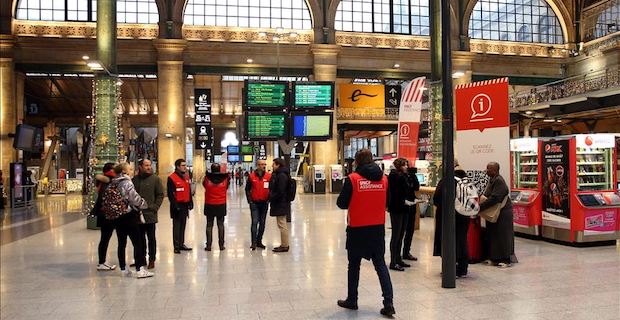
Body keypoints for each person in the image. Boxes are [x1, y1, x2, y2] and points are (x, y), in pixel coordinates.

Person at [336, 149, 395, 317]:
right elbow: (388, 202)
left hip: (357, 229)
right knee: (380, 265)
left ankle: (352, 299)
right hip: (377, 228)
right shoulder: (384, 179)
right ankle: (388, 303)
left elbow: (341, 203)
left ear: (357, 161)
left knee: (354, 265)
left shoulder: (353, 179)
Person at [109, 163, 152, 278]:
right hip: (129, 215)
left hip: (118, 216)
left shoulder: (113, 182)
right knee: (137, 243)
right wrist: (144, 204)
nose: (132, 170)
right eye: (130, 169)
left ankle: (123, 268)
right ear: (124, 171)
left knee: (121, 243)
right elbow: (134, 198)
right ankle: (139, 269)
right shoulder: (127, 182)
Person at [433, 164, 471, 278]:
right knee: (462, 241)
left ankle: (451, 268)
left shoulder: (446, 181)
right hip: (464, 216)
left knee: (449, 241)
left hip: (448, 216)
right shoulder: (467, 182)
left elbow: (436, 199)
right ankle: (463, 269)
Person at [479, 162, 514, 268]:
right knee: (493, 235)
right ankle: (494, 257)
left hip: (503, 213)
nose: (486, 170)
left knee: (502, 236)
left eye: (488, 168)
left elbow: (495, 198)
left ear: (494, 170)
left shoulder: (499, 181)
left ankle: (505, 259)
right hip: (496, 213)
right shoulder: (492, 180)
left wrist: (480, 207)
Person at [132, 159, 164, 269]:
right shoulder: (134, 180)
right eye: (146, 165)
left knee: (151, 238)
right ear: (140, 167)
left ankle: (152, 259)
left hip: (150, 214)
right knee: (140, 239)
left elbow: (160, 194)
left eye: (149, 165)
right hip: (137, 214)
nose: (149, 167)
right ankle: (141, 259)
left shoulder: (155, 179)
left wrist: (155, 207)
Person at [386, 158, 411, 271]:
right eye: (405, 165)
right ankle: (393, 261)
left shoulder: (404, 176)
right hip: (396, 208)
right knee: (396, 235)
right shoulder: (394, 176)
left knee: (401, 234)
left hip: (404, 207)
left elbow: (412, 187)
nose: (406, 167)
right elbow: (395, 193)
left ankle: (398, 258)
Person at [93, 162, 117, 271]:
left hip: (104, 214)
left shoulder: (102, 181)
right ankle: (102, 262)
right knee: (105, 238)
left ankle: (102, 261)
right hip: (108, 214)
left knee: (104, 238)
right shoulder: (109, 181)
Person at [167, 159, 194, 254]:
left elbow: (188, 190)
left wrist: (191, 202)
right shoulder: (171, 178)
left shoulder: (186, 176)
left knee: (183, 225)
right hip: (177, 206)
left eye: (185, 165)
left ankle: (181, 243)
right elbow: (170, 194)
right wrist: (175, 205)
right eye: (183, 165)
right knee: (177, 226)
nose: (185, 167)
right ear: (177, 166)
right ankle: (176, 246)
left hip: (185, 205)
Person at [203, 163, 230, 251]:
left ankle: (209, 245)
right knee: (221, 225)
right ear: (219, 169)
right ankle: (221, 245)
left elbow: (204, 186)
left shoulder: (207, 179)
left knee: (209, 225)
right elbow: (226, 188)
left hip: (209, 204)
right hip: (221, 204)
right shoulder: (225, 179)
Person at [245, 160, 271, 250]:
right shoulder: (251, 176)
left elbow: (271, 188)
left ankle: (259, 240)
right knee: (254, 222)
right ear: (257, 165)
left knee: (262, 223)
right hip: (254, 203)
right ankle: (254, 242)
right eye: (261, 164)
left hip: (264, 203)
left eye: (264, 164)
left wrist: (269, 199)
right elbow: (247, 189)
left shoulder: (269, 176)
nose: (263, 166)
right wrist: (250, 201)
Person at [269, 158, 291, 253]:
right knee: (282, 223)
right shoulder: (282, 174)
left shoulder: (281, 175)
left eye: (273, 164)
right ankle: (284, 244)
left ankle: (285, 245)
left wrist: (272, 197)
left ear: (278, 165)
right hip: (282, 202)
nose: (272, 166)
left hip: (280, 202)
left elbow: (281, 191)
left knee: (282, 224)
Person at [402, 166, 420, 262]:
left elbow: (416, 187)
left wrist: (413, 176)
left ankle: (406, 252)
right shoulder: (399, 177)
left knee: (410, 230)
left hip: (411, 205)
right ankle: (397, 255)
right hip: (403, 207)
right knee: (400, 233)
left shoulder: (411, 177)